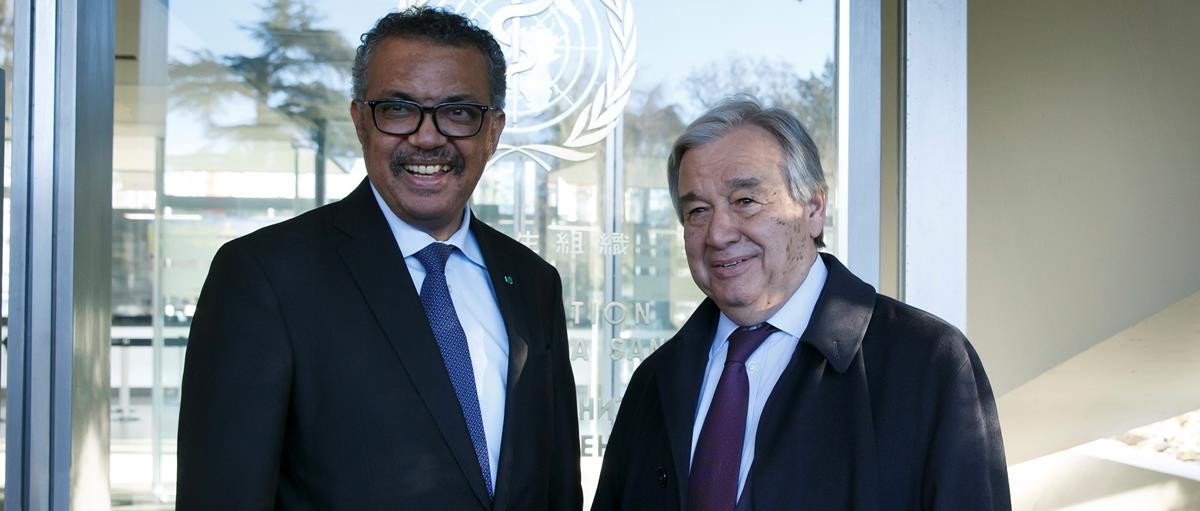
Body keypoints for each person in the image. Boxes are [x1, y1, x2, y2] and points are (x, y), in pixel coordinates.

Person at [177, 7, 582, 510]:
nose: (428, 136)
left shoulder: (533, 281)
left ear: (493, 131)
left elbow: (558, 488)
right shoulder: (264, 276)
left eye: (458, 111)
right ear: (360, 122)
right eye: (398, 108)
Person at [591, 97, 1010, 510]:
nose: (718, 233)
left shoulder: (926, 362)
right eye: (698, 210)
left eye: (745, 201)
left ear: (813, 209)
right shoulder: (654, 381)